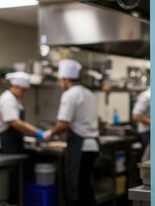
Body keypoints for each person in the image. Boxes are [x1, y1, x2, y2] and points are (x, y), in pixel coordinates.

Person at [46, 59, 99, 206]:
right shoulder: (89, 93)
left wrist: (48, 134)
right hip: (93, 146)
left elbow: (63, 124)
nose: (59, 83)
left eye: (60, 80)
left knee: (76, 188)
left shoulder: (69, 94)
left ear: (65, 79)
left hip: (80, 147)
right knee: (86, 186)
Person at [0, 71, 50, 154]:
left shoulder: (14, 99)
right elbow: (15, 123)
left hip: (13, 143)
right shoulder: (8, 99)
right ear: (15, 86)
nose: (24, 93)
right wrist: (36, 132)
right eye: (23, 90)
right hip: (5, 144)